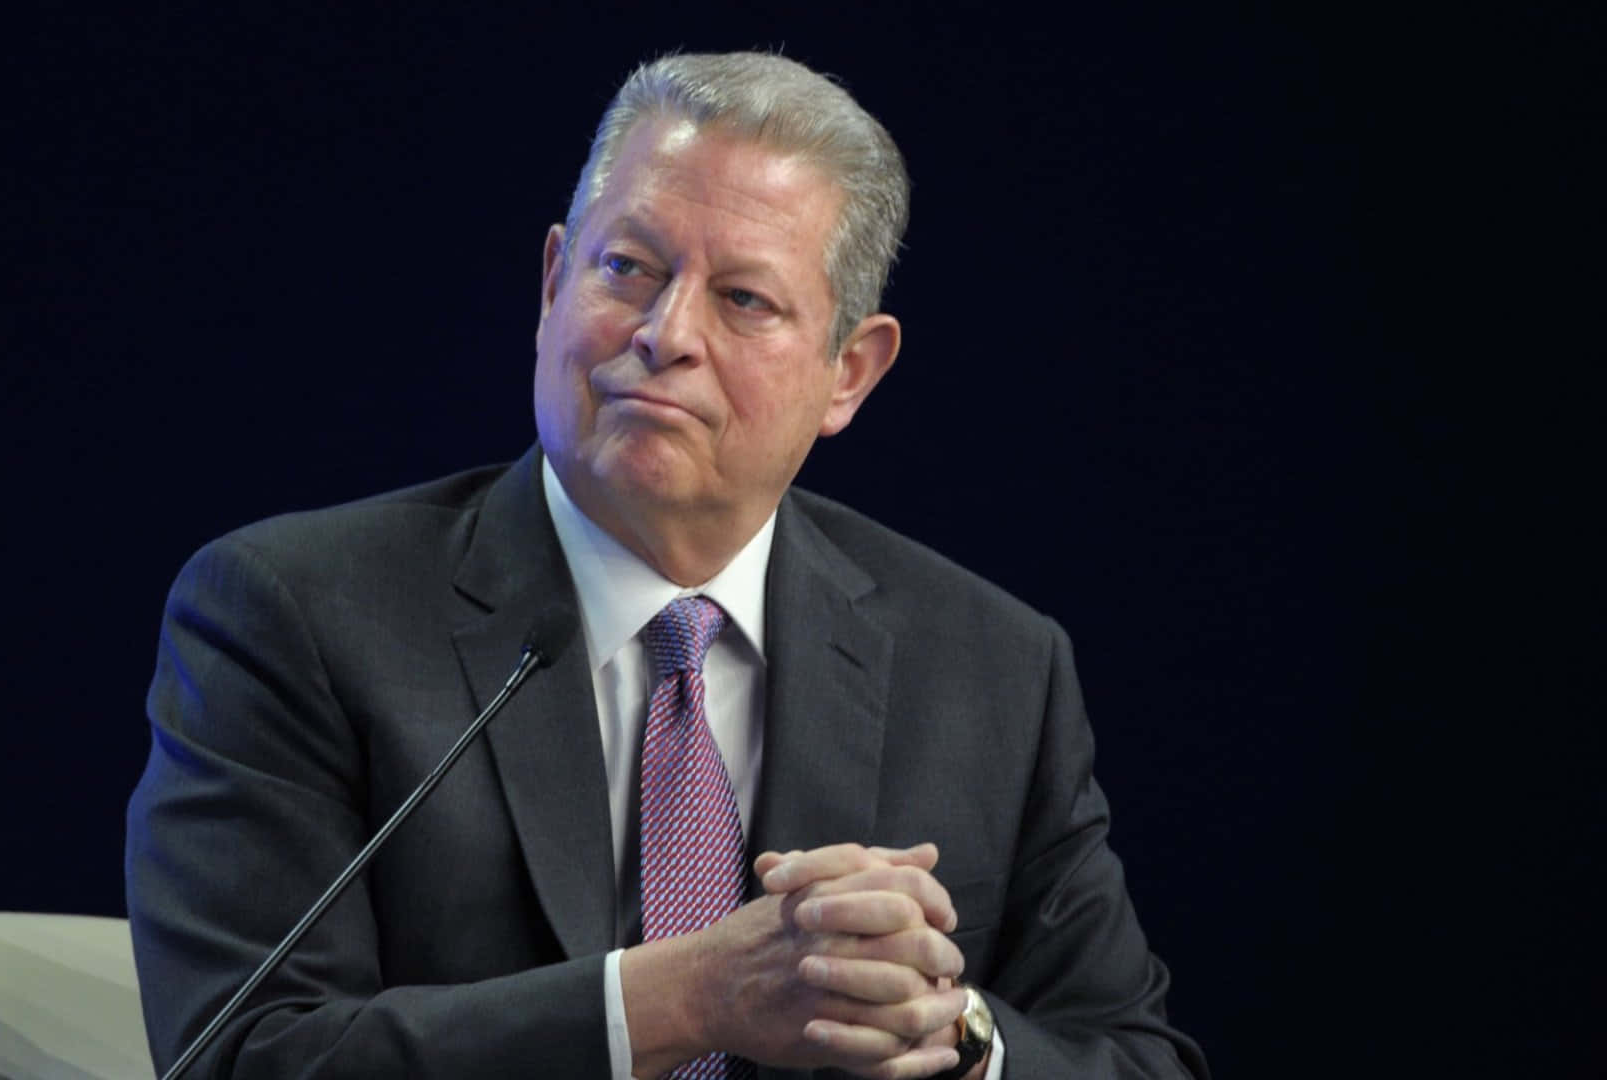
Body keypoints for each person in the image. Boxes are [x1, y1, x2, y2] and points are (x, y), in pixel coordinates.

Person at [125, 51, 1209, 1080]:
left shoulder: (991, 669)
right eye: (629, 267)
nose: (665, 331)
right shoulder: (297, 615)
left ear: (850, 373)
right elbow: (239, 1053)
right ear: (554, 283)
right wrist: (685, 998)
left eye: (744, 299)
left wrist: (954, 1034)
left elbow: (1134, 1056)